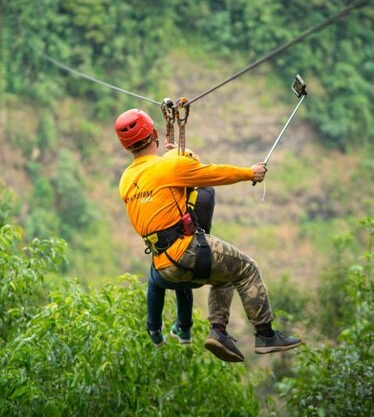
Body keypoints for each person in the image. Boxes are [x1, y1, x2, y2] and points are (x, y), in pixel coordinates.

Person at [116, 108, 302, 362]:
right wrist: (250, 173)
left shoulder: (126, 180)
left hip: (162, 266)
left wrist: (177, 157)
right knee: (247, 268)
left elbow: (166, 178)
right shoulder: (170, 166)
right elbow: (210, 174)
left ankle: (219, 331)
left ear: (127, 147)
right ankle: (266, 335)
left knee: (224, 275)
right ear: (154, 135)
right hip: (187, 251)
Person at [146, 149, 214, 347]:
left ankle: (154, 329)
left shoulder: (172, 194)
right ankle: (184, 330)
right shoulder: (208, 192)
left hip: (173, 262)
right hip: (200, 263)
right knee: (183, 277)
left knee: (155, 279)